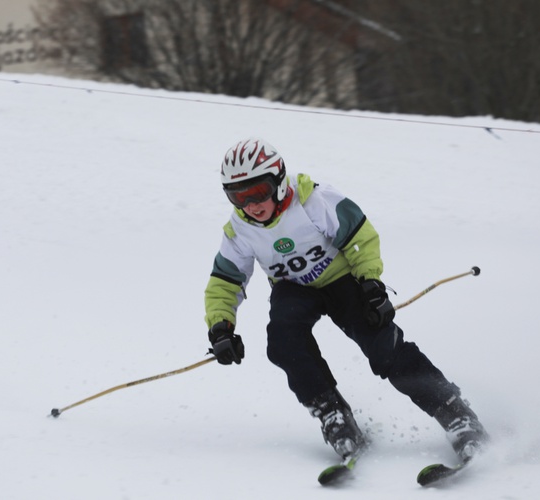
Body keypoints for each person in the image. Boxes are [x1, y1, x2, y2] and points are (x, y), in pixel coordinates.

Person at [204, 137, 488, 463]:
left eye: (258, 192)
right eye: (238, 196)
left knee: (382, 344)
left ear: (279, 182)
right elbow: (225, 281)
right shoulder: (239, 229)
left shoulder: (314, 200)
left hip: (342, 280)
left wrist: (371, 284)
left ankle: (454, 411)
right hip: (293, 288)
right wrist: (221, 328)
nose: (251, 205)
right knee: (283, 341)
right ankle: (334, 415)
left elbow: (360, 237)